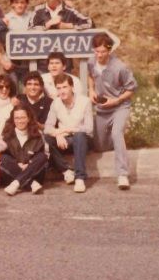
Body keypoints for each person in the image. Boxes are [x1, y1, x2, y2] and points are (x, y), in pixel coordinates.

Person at [87, 33, 138, 190]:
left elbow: (132, 89)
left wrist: (116, 100)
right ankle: (117, 140)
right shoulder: (91, 61)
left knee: (117, 133)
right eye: (97, 51)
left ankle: (123, 175)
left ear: (109, 50)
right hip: (102, 108)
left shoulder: (120, 67)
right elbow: (90, 76)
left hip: (119, 106)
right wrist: (91, 90)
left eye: (103, 52)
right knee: (100, 146)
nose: (99, 55)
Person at [44, 74, 94, 193]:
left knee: (79, 136)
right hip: (64, 141)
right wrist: (57, 134)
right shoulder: (55, 103)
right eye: (59, 88)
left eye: (65, 87)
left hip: (83, 140)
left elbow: (89, 129)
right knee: (47, 138)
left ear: (72, 87)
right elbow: (47, 128)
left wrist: (65, 130)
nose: (62, 91)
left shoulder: (84, 101)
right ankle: (66, 170)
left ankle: (80, 178)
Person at [0, 105, 48, 196]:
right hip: (12, 172)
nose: (20, 121)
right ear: (13, 119)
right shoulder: (7, 135)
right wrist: (17, 164)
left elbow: (39, 156)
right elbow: (5, 156)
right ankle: (31, 183)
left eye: (23, 117)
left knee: (42, 157)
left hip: (33, 172)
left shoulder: (37, 135)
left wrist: (29, 165)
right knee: (2, 158)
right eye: (17, 118)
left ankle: (16, 183)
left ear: (28, 118)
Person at [3, 0, 33, 85]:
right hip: (12, 62)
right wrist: (3, 61)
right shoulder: (6, 19)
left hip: (28, 61)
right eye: (16, 2)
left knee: (28, 89)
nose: (19, 5)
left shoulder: (32, 17)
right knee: (12, 89)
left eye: (22, 2)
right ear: (12, 4)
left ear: (26, 4)